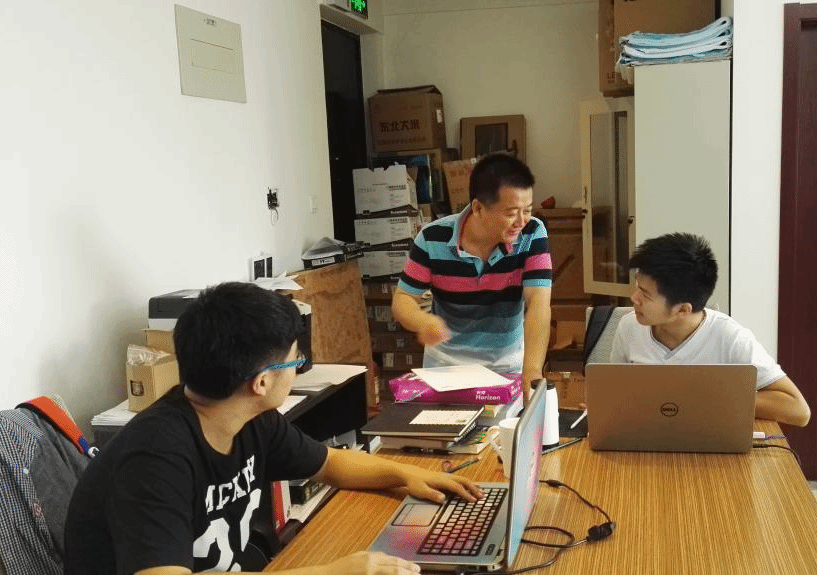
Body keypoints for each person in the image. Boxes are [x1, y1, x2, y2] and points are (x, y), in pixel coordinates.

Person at [64, 282, 482, 575]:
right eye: (295, 361)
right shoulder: (156, 458)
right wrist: (331, 573)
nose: (298, 370)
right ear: (261, 382)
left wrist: (407, 474)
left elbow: (331, 463)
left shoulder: (250, 419)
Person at [610, 233, 811, 427]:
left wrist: (708, 400)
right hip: (644, 434)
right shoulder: (629, 327)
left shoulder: (730, 338)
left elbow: (798, 411)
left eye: (645, 294)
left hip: (707, 440)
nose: (634, 298)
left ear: (682, 310)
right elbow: (615, 392)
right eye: (637, 286)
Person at [392, 153, 552, 389]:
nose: (521, 221)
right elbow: (403, 298)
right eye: (511, 213)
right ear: (477, 208)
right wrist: (422, 321)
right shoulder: (432, 238)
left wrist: (532, 371)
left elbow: (539, 302)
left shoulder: (532, 233)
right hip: (444, 369)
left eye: (527, 210)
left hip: (505, 368)